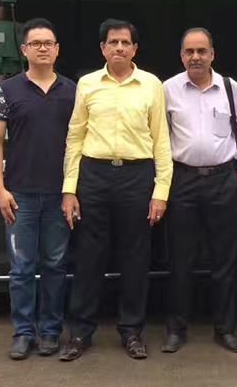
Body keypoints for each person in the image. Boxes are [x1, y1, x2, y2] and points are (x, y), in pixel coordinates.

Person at [58, 19, 172, 362]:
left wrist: (161, 191)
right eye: (112, 42)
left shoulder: (151, 84)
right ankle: (80, 333)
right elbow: (75, 137)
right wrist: (69, 189)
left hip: (138, 177)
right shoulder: (88, 84)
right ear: (103, 48)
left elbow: (161, 140)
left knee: (135, 258)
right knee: (89, 257)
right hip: (94, 175)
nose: (119, 47)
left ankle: (132, 331)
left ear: (135, 49)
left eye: (125, 42)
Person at [0, 18, 76, 361]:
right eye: (35, 43)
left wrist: (73, 190)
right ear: (24, 50)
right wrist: (0, 190)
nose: (42, 48)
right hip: (19, 195)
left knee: (55, 266)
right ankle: (23, 333)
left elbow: (80, 143)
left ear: (57, 49)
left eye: (48, 43)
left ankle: (51, 331)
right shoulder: (6, 91)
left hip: (59, 195)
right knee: (21, 269)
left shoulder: (73, 91)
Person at [161, 28, 237, 354]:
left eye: (201, 51)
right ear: (181, 56)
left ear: (212, 54)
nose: (196, 57)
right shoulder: (168, 89)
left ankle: (225, 330)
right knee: (180, 261)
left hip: (223, 181)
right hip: (182, 182)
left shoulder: (230, 88)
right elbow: (160, 138)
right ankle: (176, 330)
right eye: (189, 51)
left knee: (224, 262)